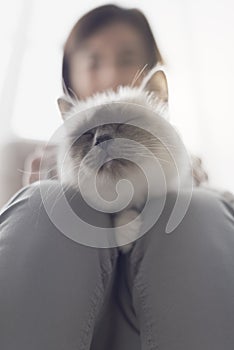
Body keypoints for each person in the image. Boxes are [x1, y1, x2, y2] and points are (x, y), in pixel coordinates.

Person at [1, 4, 234, 350]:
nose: (110, 73)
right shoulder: (22, 156)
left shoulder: (189, 161)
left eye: (126, 58)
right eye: (93, 61)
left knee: (199, 207)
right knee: (47, 201)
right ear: (70, 73)